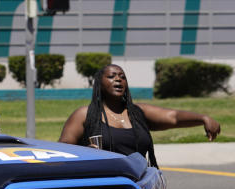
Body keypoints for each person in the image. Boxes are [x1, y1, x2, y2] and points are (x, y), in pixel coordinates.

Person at [59, 63, 221, 166]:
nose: (118, 80)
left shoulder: (137, 113)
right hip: (103, 185)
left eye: (122, 77)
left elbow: (173, 117)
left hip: (139, 185)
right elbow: (62, 150)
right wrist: (84, 152)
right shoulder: (85, 114)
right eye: (111, 76)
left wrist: (203, 118)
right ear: (99, 84)